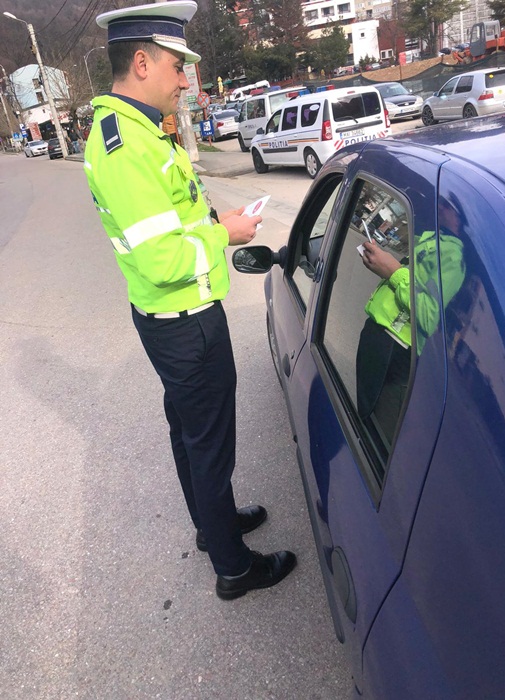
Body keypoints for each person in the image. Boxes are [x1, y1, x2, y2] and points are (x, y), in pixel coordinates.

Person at [84, 1, 296, 600]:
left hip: (173, 318)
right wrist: (224, 235)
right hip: (185, 323)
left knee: (191, 433)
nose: (185, 80)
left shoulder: (141, 130)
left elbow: (176, 217)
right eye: (178, 67)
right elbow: (161, 258)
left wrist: (217, 221)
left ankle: (213, 524)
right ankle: (234, 568)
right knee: (209, 446)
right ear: (142, 62)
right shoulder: (127, 146)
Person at [357, 195, 466, 444]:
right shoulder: (431, 239)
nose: (439, 206)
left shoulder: (454, 257)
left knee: (378, 435)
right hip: (379, 338)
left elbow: (429, 316)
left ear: (459, 216)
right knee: (365, 417)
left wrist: (394, 272)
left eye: (447, 205)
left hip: (396, 349)